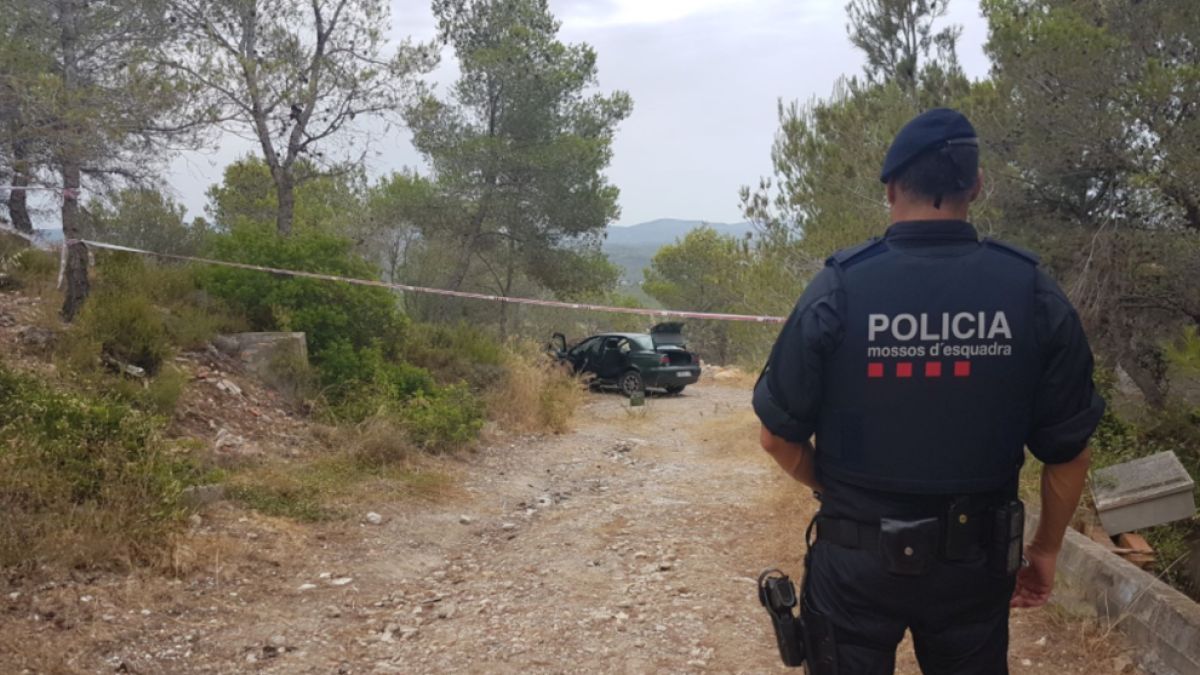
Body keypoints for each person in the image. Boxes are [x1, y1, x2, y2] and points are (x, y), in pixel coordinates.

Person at [753, 108, 1105, 675]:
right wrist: (1042, 551)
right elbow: (1070, 451)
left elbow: (775, 437)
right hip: (975, 562)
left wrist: (836, 487)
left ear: (891, 187)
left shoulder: (839, 289)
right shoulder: (1032, 294)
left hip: (855, 559)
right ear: (977, 185)